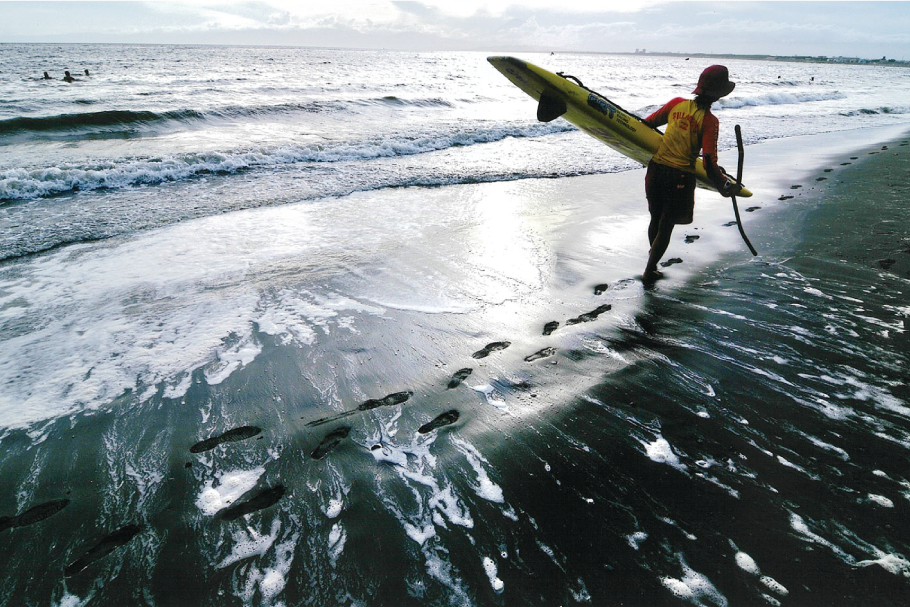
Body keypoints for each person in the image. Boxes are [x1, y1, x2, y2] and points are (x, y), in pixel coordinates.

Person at [640, 65, 740, 281]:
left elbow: (646, 124)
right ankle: (649, 269)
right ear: (719, 95)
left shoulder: (676, 104)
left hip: (655, 171)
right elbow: (709, 163)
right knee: (665, 226)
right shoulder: (710, 121)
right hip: (679, 178)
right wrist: (724, 186)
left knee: (655, 218)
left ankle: (652, 260)